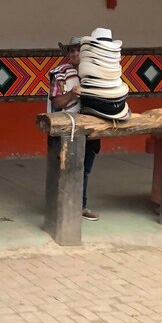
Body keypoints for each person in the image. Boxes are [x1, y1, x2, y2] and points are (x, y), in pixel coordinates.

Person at [48, 36, 101, 221]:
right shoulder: (60, 74)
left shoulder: (99, 74)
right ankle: (62, 207)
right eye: (71, 50)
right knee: (66, 167)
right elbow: (56, 101)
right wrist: (72, 93)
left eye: (79, 49)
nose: (74, 53)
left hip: (91, 128)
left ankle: (81, 206)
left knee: (85, 169)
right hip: (69, 129)